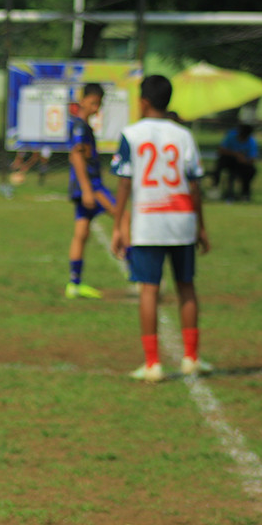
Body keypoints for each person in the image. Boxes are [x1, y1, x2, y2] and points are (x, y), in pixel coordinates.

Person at [111, 75, 211, 382]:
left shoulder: (131, 134)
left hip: (148, 222)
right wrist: (201, 226)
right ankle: (191, 357)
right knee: (186, 286)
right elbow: (194, 186)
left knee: (149, 290)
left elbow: (124, 182)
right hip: (182, 221)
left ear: (143, 101)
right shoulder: (183, 135)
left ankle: (152, 363)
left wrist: (118, 224)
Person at [65, 83, 112, 299]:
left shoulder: (83, 126)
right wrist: (86, 190)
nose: (95, 108)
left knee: (81, 233)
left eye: (98, 104)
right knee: (123, 218)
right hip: (92, 187)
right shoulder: (80, 127)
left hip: (87, 187)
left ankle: (74, 283)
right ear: (82, 100)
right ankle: (137, 274)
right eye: (92, 102)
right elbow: (76, 156)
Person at [209, 123, 258, 201]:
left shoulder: (251, 142)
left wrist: (244, 160)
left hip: (241, 164)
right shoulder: (231, 137)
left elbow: (252, 159)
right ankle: (215, 187)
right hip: (229, 160)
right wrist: (235, 154)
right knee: (221, 163)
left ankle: (245, 193)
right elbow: (221, 150)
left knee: (250, 171)